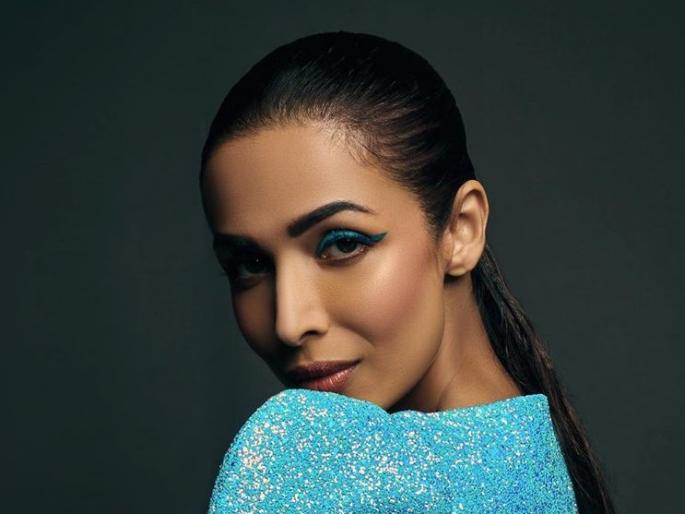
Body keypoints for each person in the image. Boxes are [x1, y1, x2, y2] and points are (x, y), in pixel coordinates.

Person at [198, 31, 615, 513]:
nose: (289, 323)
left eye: (343, 244)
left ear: (461, 229)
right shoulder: (536, 471)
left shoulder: (297, 463)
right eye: (250, 264)